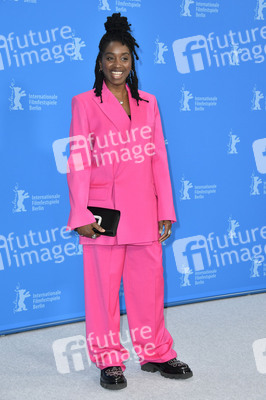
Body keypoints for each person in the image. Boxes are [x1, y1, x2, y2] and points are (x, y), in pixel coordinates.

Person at [66, 12, 193, 390]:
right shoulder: (84, 103)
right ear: (99, 62)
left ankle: (155, 352)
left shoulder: (149, 103)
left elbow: (158, 160)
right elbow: (77, 162)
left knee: (148, 287)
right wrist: (80, 214)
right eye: (109, 57)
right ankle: (108, 359)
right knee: (103, 291)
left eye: (124, 58)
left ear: (132, 61)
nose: (116, 65)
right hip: (102, 216)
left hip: (144, 213)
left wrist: (165, 210)